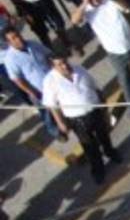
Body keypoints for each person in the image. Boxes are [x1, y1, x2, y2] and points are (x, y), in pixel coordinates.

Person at [72, 0, 130, 122]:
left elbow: (127, 9)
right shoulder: (88, 12)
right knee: (125, 80)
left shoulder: (110, 2)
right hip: (115, 51)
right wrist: (84, 3)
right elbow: (74, 20)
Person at [41, 51, 122, 185]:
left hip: (94, 110)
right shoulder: (50, 81)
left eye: (65, 62)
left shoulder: (79, 69)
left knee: (104, 135)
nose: (65, 66)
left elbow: (95, 86)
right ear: (53, 67)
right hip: (77, 119)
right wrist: (60, 123)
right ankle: (98, 170)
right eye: (60, 64)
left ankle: (111, 152)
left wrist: (103, 105)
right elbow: (51, 105)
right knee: (90, 146)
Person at [2, 26, 66, 141]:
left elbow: (49, 55)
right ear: (9, 43)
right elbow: (17, 79)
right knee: (47, 113)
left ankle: (65, 122)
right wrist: (31, 92)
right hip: (38, 89)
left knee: (61, 103)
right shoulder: (10, 59)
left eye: (18, 35)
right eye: (14, 38)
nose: (19, 39)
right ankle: (55, 131)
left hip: (53, 82)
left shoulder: (33, 44)